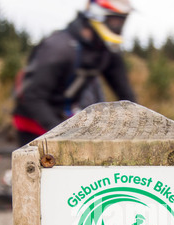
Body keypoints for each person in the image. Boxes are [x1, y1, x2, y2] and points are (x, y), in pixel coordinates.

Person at [13, 0, 136, 146]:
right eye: (115, 21)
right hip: (33, 116)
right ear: (98, 16)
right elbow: (32, 97)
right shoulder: (59, 48)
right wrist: (64, 135)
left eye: (122, 21)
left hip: (66, 113)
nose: (119, 26)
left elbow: (126, 95)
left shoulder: (106, 51)